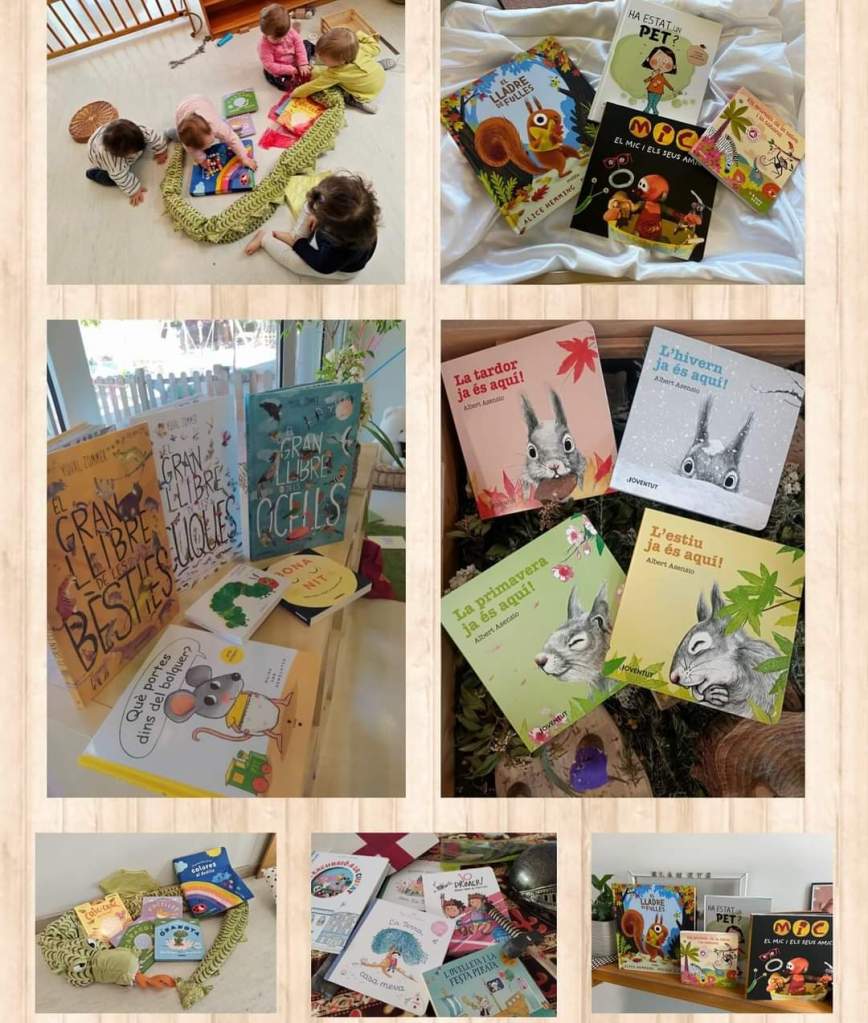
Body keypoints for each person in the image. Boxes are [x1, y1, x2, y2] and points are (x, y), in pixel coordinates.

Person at [244, 173, 379, 279]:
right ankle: (295, 235)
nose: (314, 210)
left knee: (296, 265)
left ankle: (264, 238)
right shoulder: (361, 218)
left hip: (342, 270)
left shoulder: (333, 257)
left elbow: (318, 262)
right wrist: (316, 213)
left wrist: (298, 243)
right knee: (309, 205)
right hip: (334, 231)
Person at [291, 27, 395, 114]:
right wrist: (358, 35)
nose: (320, 59)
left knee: (343, 94)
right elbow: (376, 47)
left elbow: (314, 86)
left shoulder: (335, 73)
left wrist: (295, 93)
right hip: (380, 76)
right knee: (369, 65)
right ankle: (380, 65)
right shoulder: (361, 48)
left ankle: (360, 102)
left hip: (365, 93)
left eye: (324, 60)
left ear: (342, 61)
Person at [85, 118, 169, 206]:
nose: (138, 152)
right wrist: (134, 190)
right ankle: (94, 175)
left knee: (143, 143)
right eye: (133, 152)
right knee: (112, 179)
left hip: (104, 134)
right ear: (121, 155)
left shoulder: (138, 131)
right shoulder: (114, 162)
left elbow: (153, 136)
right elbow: (121, 178)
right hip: (98, 157)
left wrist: (161, 150)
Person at [174, 95, 257, 170]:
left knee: (226, 133)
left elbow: (232, 138)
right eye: (205, 146)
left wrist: (244, 158)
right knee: (181, 134)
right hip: (181, 111)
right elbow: (193, 152)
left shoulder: (216, 125)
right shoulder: (188, 145)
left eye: (211, 142)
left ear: (210, 129)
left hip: (199, 101)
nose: (209, 146)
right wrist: (202, 160)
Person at [258, 3, 314, 91]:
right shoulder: (264, 46)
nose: (281, 40)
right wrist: (289, 69)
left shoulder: (290, 32)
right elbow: (270, 65)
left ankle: (315, 54)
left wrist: (303, 63)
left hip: (294, 59)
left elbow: (299, 45)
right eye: (276, 38)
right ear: (265, 33)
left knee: (306, 44)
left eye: (284, 36)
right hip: (280, 68)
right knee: (283, 83)